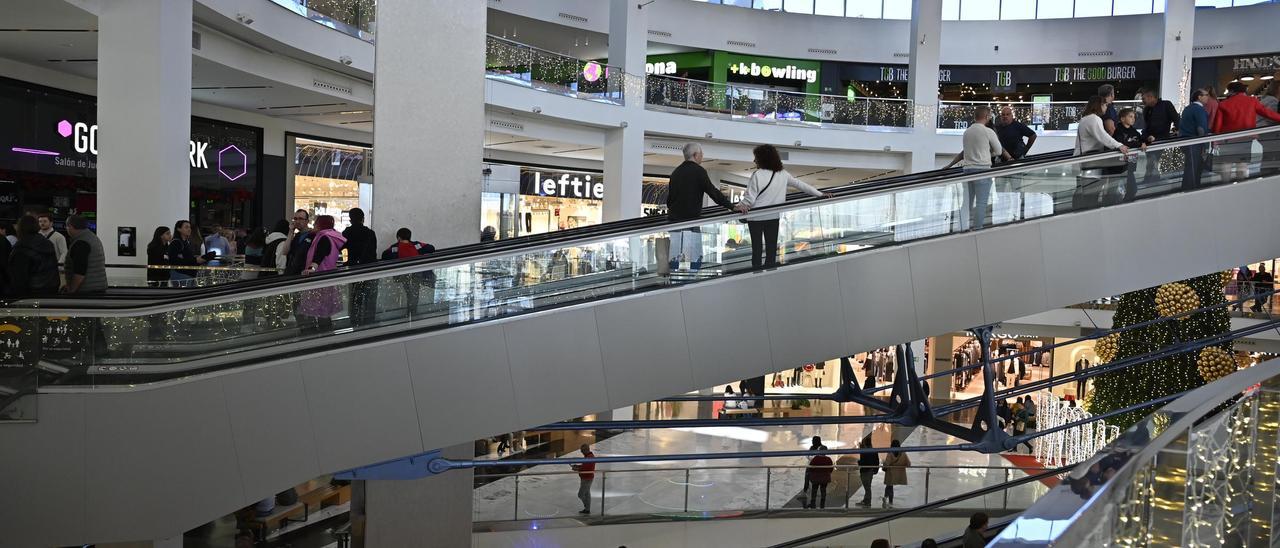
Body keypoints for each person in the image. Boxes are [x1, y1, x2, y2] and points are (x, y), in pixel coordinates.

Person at [733, 144, 830, 269]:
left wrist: (736, 207)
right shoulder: (783, 174)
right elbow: (800, 185)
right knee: (771, 249)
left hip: (755, 217)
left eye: (756, 157)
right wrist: (820, 194)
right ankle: (770, 275)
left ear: (762, 158)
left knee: (757, 251)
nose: (754, 160)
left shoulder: (758, 174)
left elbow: (750, 200)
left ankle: (756, 276)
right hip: (773, 216)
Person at [665, 143, 736, 272]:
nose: (702, 156)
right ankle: (689, 282)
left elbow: (669, 200)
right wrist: (732, 207)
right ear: (695, 155)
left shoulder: (676, 172)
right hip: (691, 222)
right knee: (693, 261)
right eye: (701, 153)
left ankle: (676, 281)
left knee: (675, 260)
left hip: (674, 223)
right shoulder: (699, 171)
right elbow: (713, 192)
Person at [943, 106, 1012, 230]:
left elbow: (965, 152)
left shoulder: (967, 132)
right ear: (986, 117)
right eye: (989, 116)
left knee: (967, 202)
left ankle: (963, 227)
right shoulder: (988, 132)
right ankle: (977, 229)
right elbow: (998, 150)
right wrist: (988, 153)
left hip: (967, 171)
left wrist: (949, 165)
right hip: (983, 170)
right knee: (981, 203)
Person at [1213, 81, 1280, 181]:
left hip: (1227, 140)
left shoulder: (1223, 104)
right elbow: (1268, 114)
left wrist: (1215, 140)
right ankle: (1242, 186)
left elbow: (1217, 125)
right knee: (1242, 164)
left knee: (1226, 165)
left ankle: (1225, 186)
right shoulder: (1252, 101)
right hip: (1246, 138)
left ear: (1231, 91)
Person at [1074, 95, 1131, 210]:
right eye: (1104, 105)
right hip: (1091, 163)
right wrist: (1119, 145)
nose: (1106, 108)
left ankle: (1084, 215)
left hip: (1084, 162)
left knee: (1086, 194)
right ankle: (1089, 217)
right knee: (1092, 195)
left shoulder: (1085, 119)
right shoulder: (1094, 119)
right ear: (1098, 105)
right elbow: (1103, 136)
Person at [297, 215, 346, 334]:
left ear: (320, 224)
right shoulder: (332, 237)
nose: (313, 226)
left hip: (319, 279)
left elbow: (319, 255)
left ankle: (322, 337)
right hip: (327, 278)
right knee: (324, 312)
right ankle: (326, 336)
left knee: (320, 311)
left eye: (316, 223)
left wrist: (312, 268)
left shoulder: (324, 237)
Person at [381, 228, 436, 318]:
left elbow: (384, 255)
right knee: (415, 292)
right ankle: (412, 312)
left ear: (398, 237)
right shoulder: (417, 245)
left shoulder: (395, 247)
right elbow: (431, 248)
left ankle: (409, 313)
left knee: (408, 292)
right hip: (417, 273)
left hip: (403, 274)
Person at [342, 208, 379, 326]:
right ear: (363, 218)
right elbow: (373, 251)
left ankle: (355, 322)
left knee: (355, 297)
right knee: (369, 297)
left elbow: (341, 248)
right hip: (370, 269)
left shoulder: (347, 232)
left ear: (350, 219)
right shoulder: (370, 233)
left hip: (354, 270)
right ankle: (369, 322)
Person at [7, 216, 60, 297]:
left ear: (20, 228)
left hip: (31, 293)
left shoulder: (22, 247)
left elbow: (19, 279)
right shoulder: (47, 243)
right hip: (51, 289)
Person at [1140, 89, 1181, 183]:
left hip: (1161, 139)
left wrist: (1178, 130)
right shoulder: (1147, 109)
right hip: (1149, 140)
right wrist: (1145, 137)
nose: (1142, 101)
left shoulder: (1166, 105)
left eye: (1144, 98)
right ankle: (1151, 179)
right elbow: (1147, 125)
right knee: (1151, 161)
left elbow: (1176, 118)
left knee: (1153, 161)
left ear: (1151, 97)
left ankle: (1151, 180)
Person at [62, 215, 106, 294]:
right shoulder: (91, 237)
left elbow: (80, 272)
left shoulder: (81, 243)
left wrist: (71, 289)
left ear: (70, 226)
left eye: (67, 226)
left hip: (86, 291)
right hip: (96, 287)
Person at [1113, 108, 1147, 203]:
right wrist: (1139, 144)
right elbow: (1122, 143)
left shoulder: (1133, 131)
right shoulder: (1119, 131)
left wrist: (1146, 141)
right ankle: (1123, 204)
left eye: (1134, 117)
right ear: (1123, 119)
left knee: (1131, 190)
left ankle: (1125, 204)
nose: (1133, 119)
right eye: (1130, 116)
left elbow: (1140, 139)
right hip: (1121, 167)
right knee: (1131, 190)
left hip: (1130, 165)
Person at [1180, 89, 1212, 191]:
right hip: (1194, 142)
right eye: (1206, 95)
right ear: (1199, 97)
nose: (1208, 97)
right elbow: (1201, 128)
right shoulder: (1199, 109)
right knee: (1194, 169)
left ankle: (1187, 189)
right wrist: (1204, 146)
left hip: (1185, 141)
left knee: (1190, 167)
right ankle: (1191, 191)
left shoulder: (1187, 108)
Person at [166, 220, 210, 287]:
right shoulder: (176, 243)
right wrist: (196, 260)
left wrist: (197, 260)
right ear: (179, 229)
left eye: (190, 227)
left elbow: (187, 258)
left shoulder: (186, 242)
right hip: (181, 274)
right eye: (186, 227)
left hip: (188, 274)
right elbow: (174, 261)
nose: (189, 229)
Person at [282, 209, 314, 276]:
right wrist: (291, 231)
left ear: (307, 221)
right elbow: (284, 252)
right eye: (295, 219)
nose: (297, 221)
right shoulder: (297, 236)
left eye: (301, 219)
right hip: (292, 273)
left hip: (305, 274)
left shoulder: (313, 235)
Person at [1258, 81, 1280, 175]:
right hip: (1268, 131)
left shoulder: (1264, 99)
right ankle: (1269, 172)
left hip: (1261, 131)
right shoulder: (1273, 101)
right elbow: (1272, 117)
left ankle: (1266, 172)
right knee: (1272, 153)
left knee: (1268, 153)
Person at [881, 439, 909, 508]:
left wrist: (884, 463)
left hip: (891, 473)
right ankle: (887, 499)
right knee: (890, 486)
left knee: (889, 486)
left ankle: (888, 499)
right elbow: (908, 463)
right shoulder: (903, 453)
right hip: (899, 473)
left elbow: (887, 464)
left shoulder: (890, 453)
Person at [570, 444, 596, 514]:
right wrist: (578, 466)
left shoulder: (589, 458)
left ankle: (586, 506)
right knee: (587, 493)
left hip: (587, 479)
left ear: (585, 450)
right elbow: (585, 466)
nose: (581, 452)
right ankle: (587, 509)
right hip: (587, 478)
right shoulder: (589, 456)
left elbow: (585, 469)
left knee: (580, 494)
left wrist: (576, 468)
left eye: (582, 451)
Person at [856, 437, 880, 507]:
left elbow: (863, 461)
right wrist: (876, 470)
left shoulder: (864, 451)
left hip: (865, 470)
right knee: (867, 486)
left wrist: (859, 462)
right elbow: (877, 461)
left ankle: (867, 501)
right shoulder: (874, 451)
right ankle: (866, 500)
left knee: (867, 487)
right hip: (871, 470)